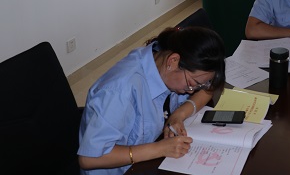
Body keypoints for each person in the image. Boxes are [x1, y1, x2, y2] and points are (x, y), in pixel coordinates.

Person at [78, 27, 226, 175]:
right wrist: (160, 149)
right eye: (193, 83)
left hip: (147, 157)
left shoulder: (161, 59)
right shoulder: (120, 91)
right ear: (173, 61)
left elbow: (208, 90)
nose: (192, 91)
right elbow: (89, 159)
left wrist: (179, 114)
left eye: (199, 85)